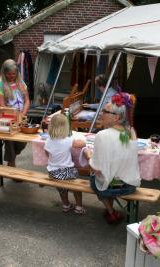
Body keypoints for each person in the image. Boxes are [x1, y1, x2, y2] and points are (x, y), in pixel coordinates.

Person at [84, 93, 140, 224]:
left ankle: (111, 212)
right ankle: (111, 211)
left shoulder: (102, 135)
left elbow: (95, 168)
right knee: (111, 172)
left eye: (105, 111)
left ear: (117, 117)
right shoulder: (130, 132)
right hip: (129, 185)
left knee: (95, 177)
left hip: (109, 187)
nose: (101, 113)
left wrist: (87, 154)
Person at [44, 114, 87, 214]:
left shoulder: (48, 141)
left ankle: (66, 205)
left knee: (61, 189)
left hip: (52, 172)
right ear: (65, 128)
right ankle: (79, 207)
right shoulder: (68, 140)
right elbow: (83, 143)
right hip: (67, 172)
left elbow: (47, 154)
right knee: (77, 187)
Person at [0, 59, 30, 167]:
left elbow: (27, 100)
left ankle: (12, 158)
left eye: (14, 74)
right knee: (10, 141)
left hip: (21, 117)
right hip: (7, 120)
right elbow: (2, 107)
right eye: (9, 74)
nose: (11, 76)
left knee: (22, 141)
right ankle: (11, 163)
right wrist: (14, 117)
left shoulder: (21, 82)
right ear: (4, 73)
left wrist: (22, 114)